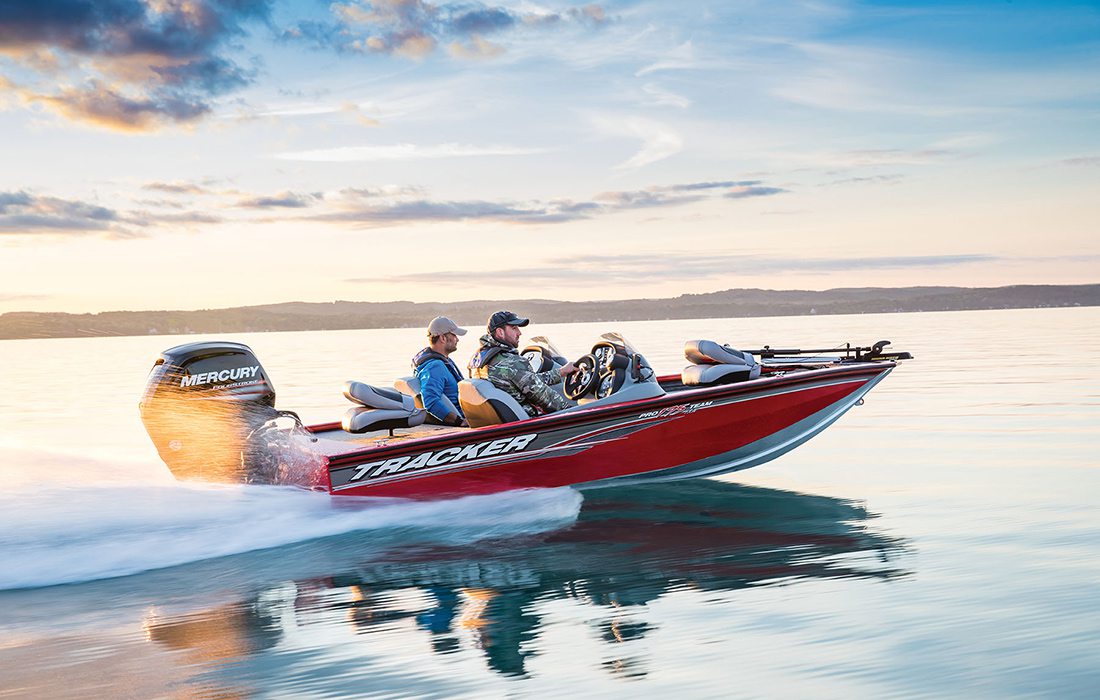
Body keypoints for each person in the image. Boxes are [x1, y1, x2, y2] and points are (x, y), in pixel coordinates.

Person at [468, 310, 576, 418]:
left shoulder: (476, 360)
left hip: (501, 422)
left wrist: (561, 372)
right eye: (514, 328)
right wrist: (574, 411)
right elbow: (546, 398)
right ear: (500, 332)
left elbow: (526, 381)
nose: (519, 333)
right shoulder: (513, 362)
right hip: (529, 424)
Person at [412, 316, 468, 427]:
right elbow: (430, 401)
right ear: (442, 338)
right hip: (461, 423)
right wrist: (459, 421)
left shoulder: (443, 361)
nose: (457, 339)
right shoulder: (435, 366)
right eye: (454, 335)